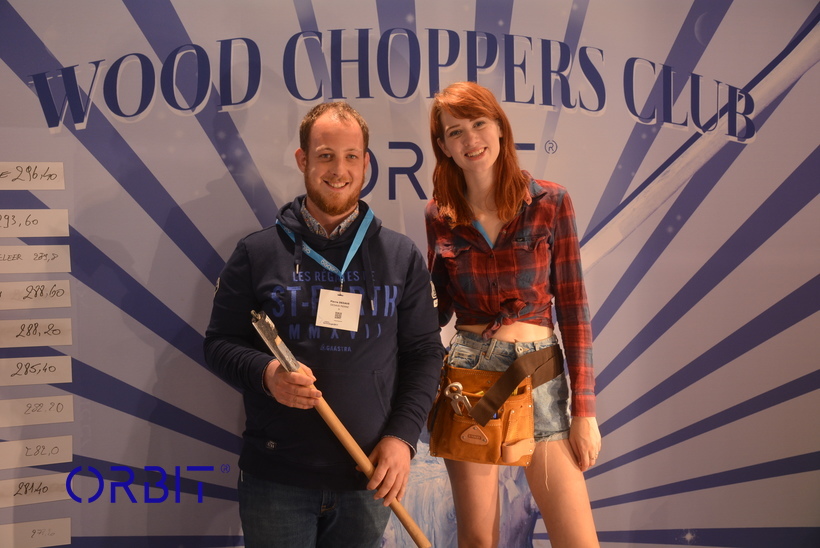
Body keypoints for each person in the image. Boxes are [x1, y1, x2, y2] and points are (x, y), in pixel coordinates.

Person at [204, 101, 445, 548]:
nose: (339, 169)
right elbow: (219, 344)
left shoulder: (401, 256)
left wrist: (402, 437)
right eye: (326, 155)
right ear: (303, 160)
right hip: (276, 479)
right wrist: (267, 374)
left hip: (368, 476)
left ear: (366, 163)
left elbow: (425, 353)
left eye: (351, 156)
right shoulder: (257, 253)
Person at [425, 81, 601, 548]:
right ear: (443, 145)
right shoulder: (439, 215)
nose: (471, 139)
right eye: (455, 132)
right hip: (470, 378)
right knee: (478, 541)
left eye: (479, 123)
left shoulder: (550, 202)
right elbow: (433, 312)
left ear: (500, 128)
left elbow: (575, 311)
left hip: (538, 373)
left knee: (577, 540)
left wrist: (585, 412)